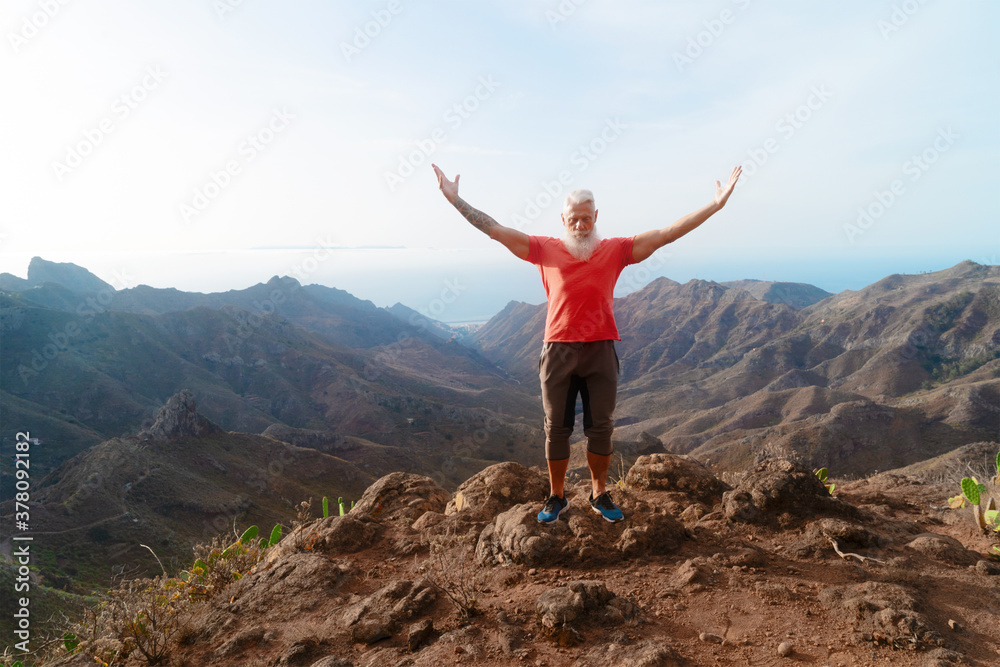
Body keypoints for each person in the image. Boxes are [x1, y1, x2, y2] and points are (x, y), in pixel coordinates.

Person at [432, 163, 742, 524]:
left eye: (586, 219)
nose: (580, 226)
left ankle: (599, 493)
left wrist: (715, 206)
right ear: (563, 219)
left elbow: (667, 234)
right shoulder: (543, 249)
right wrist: (456, 201)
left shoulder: (616, 250)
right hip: (558, 350)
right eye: (573, 220)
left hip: (600, 350)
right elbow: (495, 230)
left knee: (601, 427)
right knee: (557, 428)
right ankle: (556, 496)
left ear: (596, 217)